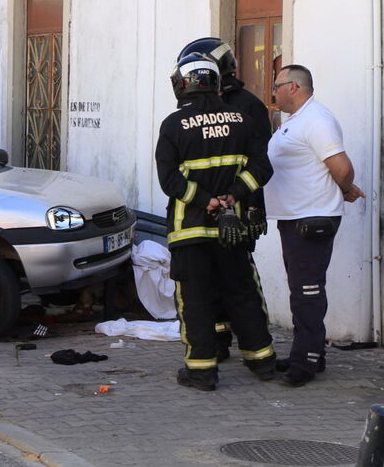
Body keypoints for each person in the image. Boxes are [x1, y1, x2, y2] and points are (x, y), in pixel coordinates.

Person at [155, 47, 275, 391]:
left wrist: (206, 201)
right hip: (231, 231)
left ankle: (202, 371)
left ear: (183, 84)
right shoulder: (243, 120)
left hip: (189, 231)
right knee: (242, 292)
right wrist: (233, 196)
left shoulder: (174, 125)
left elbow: (170, 182)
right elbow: (261, 168)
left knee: (195, 300)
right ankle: (262, 362)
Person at [264, 64, 364, 387]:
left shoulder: (317, 120)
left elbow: (342, 168)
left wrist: (345, 188)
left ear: (294, 87)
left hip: (311, 219)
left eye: (277, 85)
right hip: (294, 218)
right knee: (300, 290)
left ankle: (305, 362)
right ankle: (307, 353)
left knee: (307, 292)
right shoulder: (294, 121)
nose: (273, 91)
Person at [179, 38, 272, 362]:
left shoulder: (248, 106)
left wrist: (255, 207)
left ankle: (250, 351)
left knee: (238, 282)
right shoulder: (196, 112)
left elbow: (258, 161)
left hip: (236, 211)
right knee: (211, 284)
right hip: (204, 213)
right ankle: (218, 344)